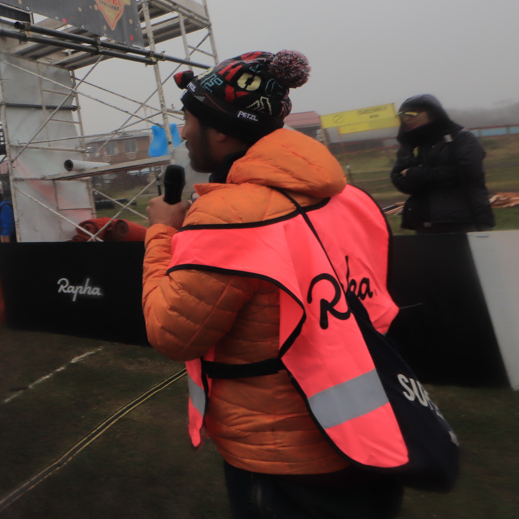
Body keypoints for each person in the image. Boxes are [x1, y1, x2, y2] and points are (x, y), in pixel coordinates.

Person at [143, 50, 405, 519]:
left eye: (186, 120)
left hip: (285, 456)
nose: (182, 133)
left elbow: (171, 332)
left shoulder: (228, 215)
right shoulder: (350, 197)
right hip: (374, 432)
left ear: (220, 128)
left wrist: (162, 233)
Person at [391, 94, 494, 234]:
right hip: (424, 220)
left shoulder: (461, 139)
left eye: (412, 113)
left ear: (433, 114)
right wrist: (432, 176)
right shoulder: (411, 145)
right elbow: (399, 179)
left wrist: (415, 173)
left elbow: (466, 172)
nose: (406, 118)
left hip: (463, 219)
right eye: (402, 114)